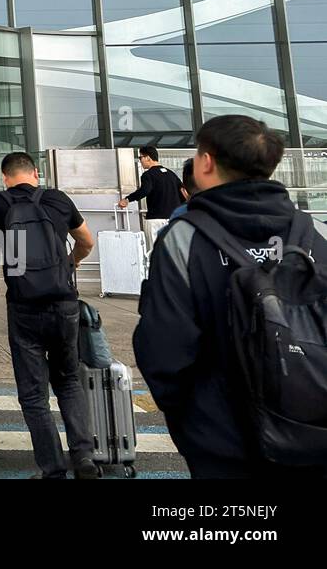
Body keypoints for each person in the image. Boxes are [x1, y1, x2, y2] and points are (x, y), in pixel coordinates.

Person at [134, 115, 323, 479]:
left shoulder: (184, 238)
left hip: (220, 437)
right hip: (309, 425)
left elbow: (163, 347)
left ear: (206, 162)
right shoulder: (310, 231)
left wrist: (193, 421)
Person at [0, 151, 97, 479]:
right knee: (69, 379)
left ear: (5, 177)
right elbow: (87, 241)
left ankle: (53, 469)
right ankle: (84, 457)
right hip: (65, 304)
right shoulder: (58, 199)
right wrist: (69, 263)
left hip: (24, 306)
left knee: (34, 395)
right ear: (35, 172)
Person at [117, 146, 183, 221]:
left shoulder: (148, 175)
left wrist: (127, 199)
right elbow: (183, 192)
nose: (140, 161)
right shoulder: (171, 174)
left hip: (156, 218)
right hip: (175, 218)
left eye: (140, 157)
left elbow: (145, 190)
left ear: (148, 158)